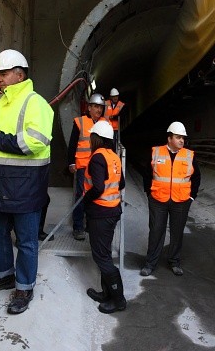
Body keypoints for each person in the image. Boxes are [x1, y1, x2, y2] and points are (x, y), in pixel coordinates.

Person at [0, 49, 53, 315]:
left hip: (26, 185)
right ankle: (5, 276)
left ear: (20, 75)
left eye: (4, 74)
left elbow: (36, 141)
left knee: (27, 240)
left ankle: (24, 287)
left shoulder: (36, 103)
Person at [140, 121, 201, 277]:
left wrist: (191, 196)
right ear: (169, 138)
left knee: (177, 232)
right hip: (158, 200)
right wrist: (149, 192)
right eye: (178, 137)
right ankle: (150, 263)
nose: (181, 140)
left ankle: (174, 261)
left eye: (183, 138)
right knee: (155, 231)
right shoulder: (156, 152)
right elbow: (146, 172)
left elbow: (197, 177)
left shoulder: (189, 155)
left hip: (181, 201)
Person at [82, 120, 126, 313]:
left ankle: (118, 299)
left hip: (100, 213)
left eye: (92, 137)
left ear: (97, 138)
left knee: (102, 258)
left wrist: (86, 199)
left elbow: (98, 187)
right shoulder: (114, 157)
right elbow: (121, 183)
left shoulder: (97, 158)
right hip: (112, 210)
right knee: (104, 254)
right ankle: (106, 293)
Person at [67, 93, 107, 241]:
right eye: (95, 106)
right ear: (89, 107)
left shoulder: (105, 123)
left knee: (96, 195)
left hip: (98, 167)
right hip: (83, 165)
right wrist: (71, 162)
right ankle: (78, 227)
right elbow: (72, 144)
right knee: (80, 196)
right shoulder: (80, 122)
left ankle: (91, 224)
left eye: (101, 107)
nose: (98, 110)